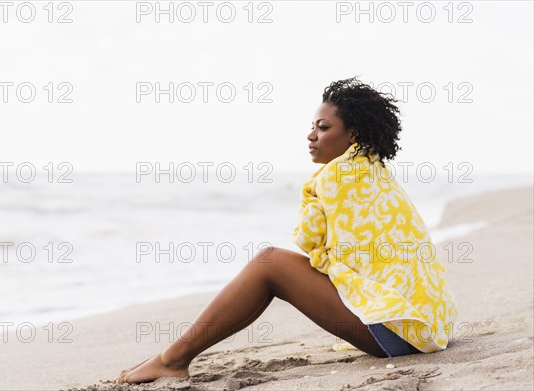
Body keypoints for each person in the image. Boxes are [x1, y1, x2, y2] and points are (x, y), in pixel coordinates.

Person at [116, 77, 459, 385]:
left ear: (353, 134)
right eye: (312, 126)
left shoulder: (337, 178)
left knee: (270, 264)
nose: (311, 136)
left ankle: (172, 359)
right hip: (425, 326)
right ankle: (171, 358)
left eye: (323, 128)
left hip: (398, 333)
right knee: (271, 268)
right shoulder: (373, 173)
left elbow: (312, 245)